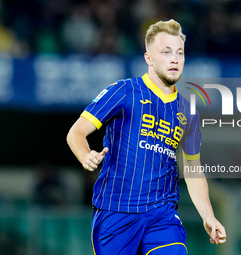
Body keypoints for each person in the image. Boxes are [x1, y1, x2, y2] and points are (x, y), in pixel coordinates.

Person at [66, 19, 226, 255]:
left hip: (162, 214)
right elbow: (76, 132)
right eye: (166, 52)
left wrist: (209, 216)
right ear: (149, 58)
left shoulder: (188, 113)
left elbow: (193, 170)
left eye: (180, 53)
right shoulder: (124, 91)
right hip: (116, 211)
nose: (175, 59)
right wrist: (84, 155)